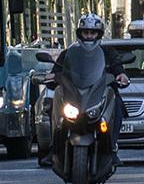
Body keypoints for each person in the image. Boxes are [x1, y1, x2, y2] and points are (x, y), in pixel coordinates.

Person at [43, 12, 128, 163]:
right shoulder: (69, 53)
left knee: (117, 105)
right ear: (80, 33)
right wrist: (51, 76)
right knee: (54, 97)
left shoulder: (108, 52)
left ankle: (112, 147)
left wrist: (121, 75)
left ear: (99, 34)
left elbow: (117, 67)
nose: (89, 36)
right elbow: (57, 71)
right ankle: (54, 147)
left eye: (93, 32)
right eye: (86, 32)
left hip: (98, 93)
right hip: (74, 95)